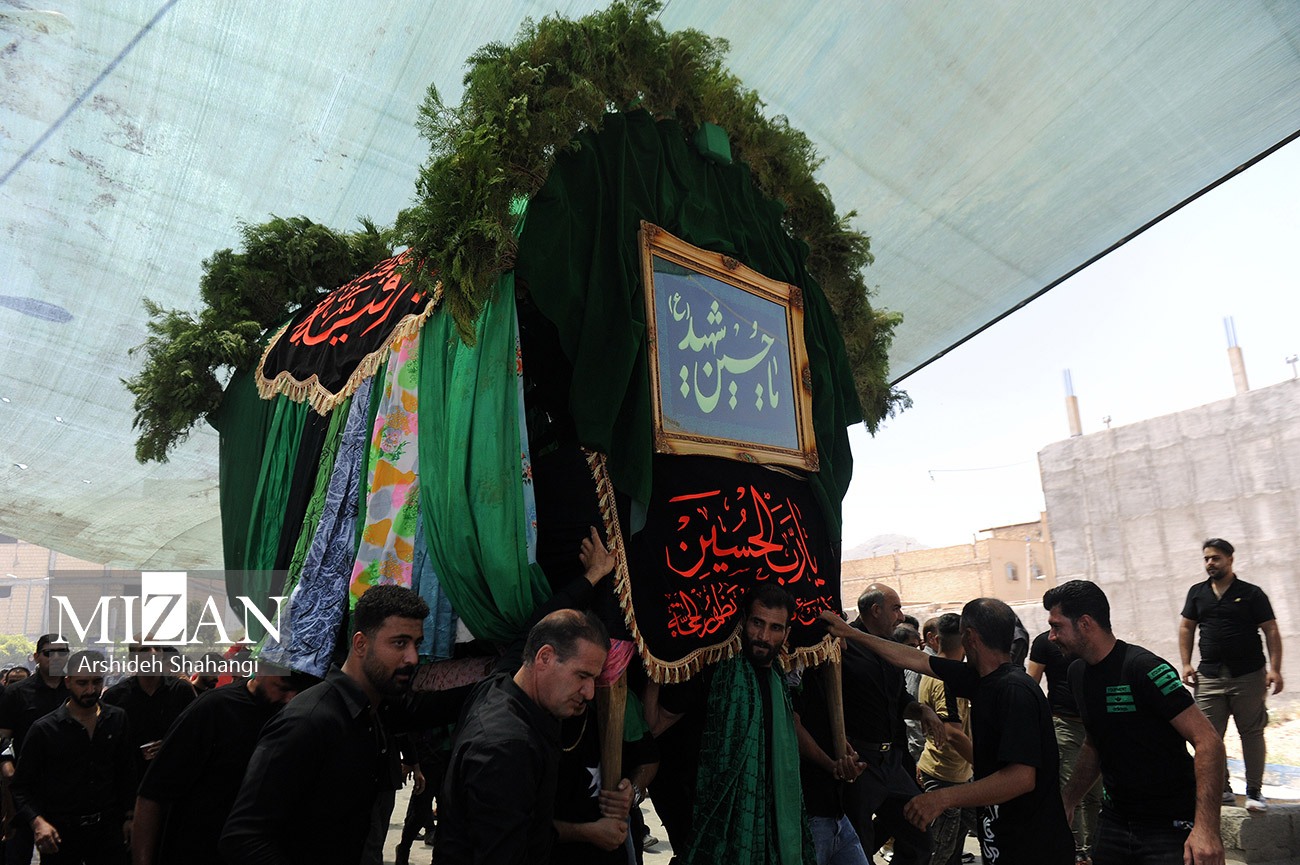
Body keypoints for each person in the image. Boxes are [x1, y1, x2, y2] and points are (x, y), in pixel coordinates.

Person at [822, 598, 1074, 865]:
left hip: (1035, 846)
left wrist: (942, 798)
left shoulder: (1015, 691)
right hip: (1002, 838)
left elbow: (1021, 778)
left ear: (970, 637)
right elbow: (915, 659)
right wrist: (852, 633)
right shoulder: (980, 678)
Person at [220, 585, 431, 865]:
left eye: (417, 644)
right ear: (360, 644)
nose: (413, 658)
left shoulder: (368, 715)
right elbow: (243, 839)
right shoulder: (309, 721)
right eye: (399, 643)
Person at [1048, 580, 1226, 865]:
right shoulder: (1077, 674)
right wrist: (1068, 800)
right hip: (1114, 823)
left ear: (1085, 623)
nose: (1051, 636)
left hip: (1168, 826)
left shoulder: (1145, 668)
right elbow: (1095, 743)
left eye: (1057, 626)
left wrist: (1206, 829)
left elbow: (1208, 741)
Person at [647, 584, 815, 865]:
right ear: (743, 621)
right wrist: (655, 665)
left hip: (771, 825)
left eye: (775, 628)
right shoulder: (712, 670)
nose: (763, 636)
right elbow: (654, 725)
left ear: (786, 634)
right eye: (757, 623)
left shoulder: (780, 682)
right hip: (709, 823)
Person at [435, 608, 610, 865]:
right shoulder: (507, 748)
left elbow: (532, 831)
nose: (589, 692)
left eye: (594, 679)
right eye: (582, 676)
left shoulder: (501, 689)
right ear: (545, 657)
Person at [131, 665, 317, 865]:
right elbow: (152, 795)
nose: (290, 698)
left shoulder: (296, 720)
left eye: (299, 692)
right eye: (282, 688)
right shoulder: (214, 707)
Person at [837, 584, 941, 865]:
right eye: (895, 608)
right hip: (859, 762)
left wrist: (922, 710)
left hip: (892, 761)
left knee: (918, 832)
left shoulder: (890, 649)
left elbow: (899, 699)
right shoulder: (844, 647)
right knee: (859, 844)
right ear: (875, 610)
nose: (901, 616)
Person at [1178, 538, 1283, 813]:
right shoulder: (1197, 593)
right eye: (1206, 559)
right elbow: (1187, 627)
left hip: (1248, 675)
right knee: (1208, 736)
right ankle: (1221, 790)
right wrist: (1186, 663)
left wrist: (1275, 668)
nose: (1210, 563)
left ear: (1230, 559)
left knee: (1251, 732)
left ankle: (1254, 792)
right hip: (1209, 676)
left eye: (1215, 558)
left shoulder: (1251, 593)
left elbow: (1271, 629)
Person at [12, 649, 136, 865]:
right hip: (61, 832)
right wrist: (38, 822)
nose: (91, 690)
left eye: (97, 682)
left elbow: (127, 771)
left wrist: (130, 816)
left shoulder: (117, 719)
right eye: (82, 683)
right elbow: (21, 786)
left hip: (108, 831)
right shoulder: (44, 729)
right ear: (68, 682)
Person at [1029, 629, 1102, 864]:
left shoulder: (1092, 637)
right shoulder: (1044, 642)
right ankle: (1076, 849)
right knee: (1071, 790)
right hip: (1064, 723)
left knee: (1095, 794)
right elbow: (1032, 683)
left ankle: (1092, 848)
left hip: (1094, 725)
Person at [0, 634, 71, 864]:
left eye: (62, 652)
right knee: (18, 851)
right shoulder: (17, 692)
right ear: (37, 657)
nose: (57, 657)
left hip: (64, 786)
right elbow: (2, 737)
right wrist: (6, 765)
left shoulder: (73, 690)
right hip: (25, 784)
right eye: (50, 653)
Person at [916, 613, 976, 865]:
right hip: (944, 777)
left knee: (954, 848)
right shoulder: (944, 678)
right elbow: (952, 733)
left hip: (957, 774)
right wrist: (984, 764)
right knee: (939, 852)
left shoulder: (936, 671)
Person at [102, 643, 195, 773]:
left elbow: (196, 733)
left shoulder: (181, 691)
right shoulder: (115, 696)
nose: (153, 653)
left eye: (157, 648)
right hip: (130, 776)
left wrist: (169, 745)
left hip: (173, 774)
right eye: (145, 650)